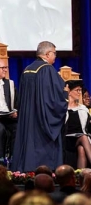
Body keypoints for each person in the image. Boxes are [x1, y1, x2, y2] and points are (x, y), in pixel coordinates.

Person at [11, 41, 67, 172]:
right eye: (54, 53)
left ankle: (26, 169)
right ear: (47, 54)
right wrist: (65, 94)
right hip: (42, 119)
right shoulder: (47, 69)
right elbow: (54, 98)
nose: (55, 57)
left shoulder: (27, 69)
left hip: (28, 117)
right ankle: (46, 171)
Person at [64, 79, 91, 169]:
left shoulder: (83, 109)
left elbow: (86, 128)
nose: (79, 93)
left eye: (80, 90)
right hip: (66, 139)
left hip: (79, 139)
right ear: (69, 92)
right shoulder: (63, 108)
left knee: (81, 149)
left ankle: (80, 174)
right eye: (77, 90)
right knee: (83, 137)